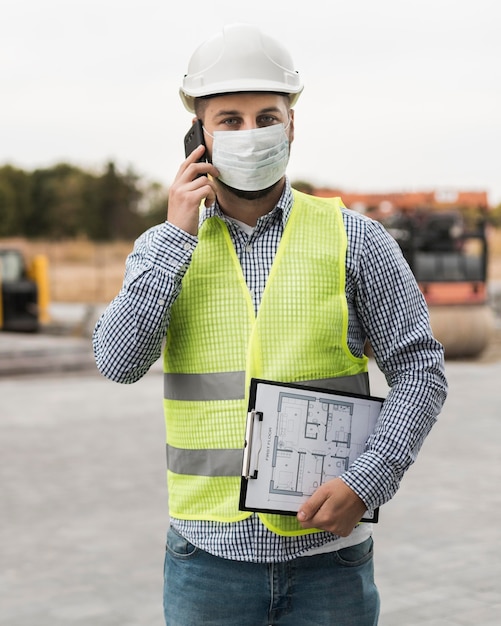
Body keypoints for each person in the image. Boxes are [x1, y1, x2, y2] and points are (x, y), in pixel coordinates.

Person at [93, 23, 447, 626]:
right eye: (229, 119)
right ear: (198, 136)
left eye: (267, 116)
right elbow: (118, 362)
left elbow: (420, 371)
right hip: (207, 563)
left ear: (292, 126)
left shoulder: (354, 238)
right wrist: (176, 238)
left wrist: (372, 478)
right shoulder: (163, 248)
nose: (250, 133)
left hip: (328, 566)